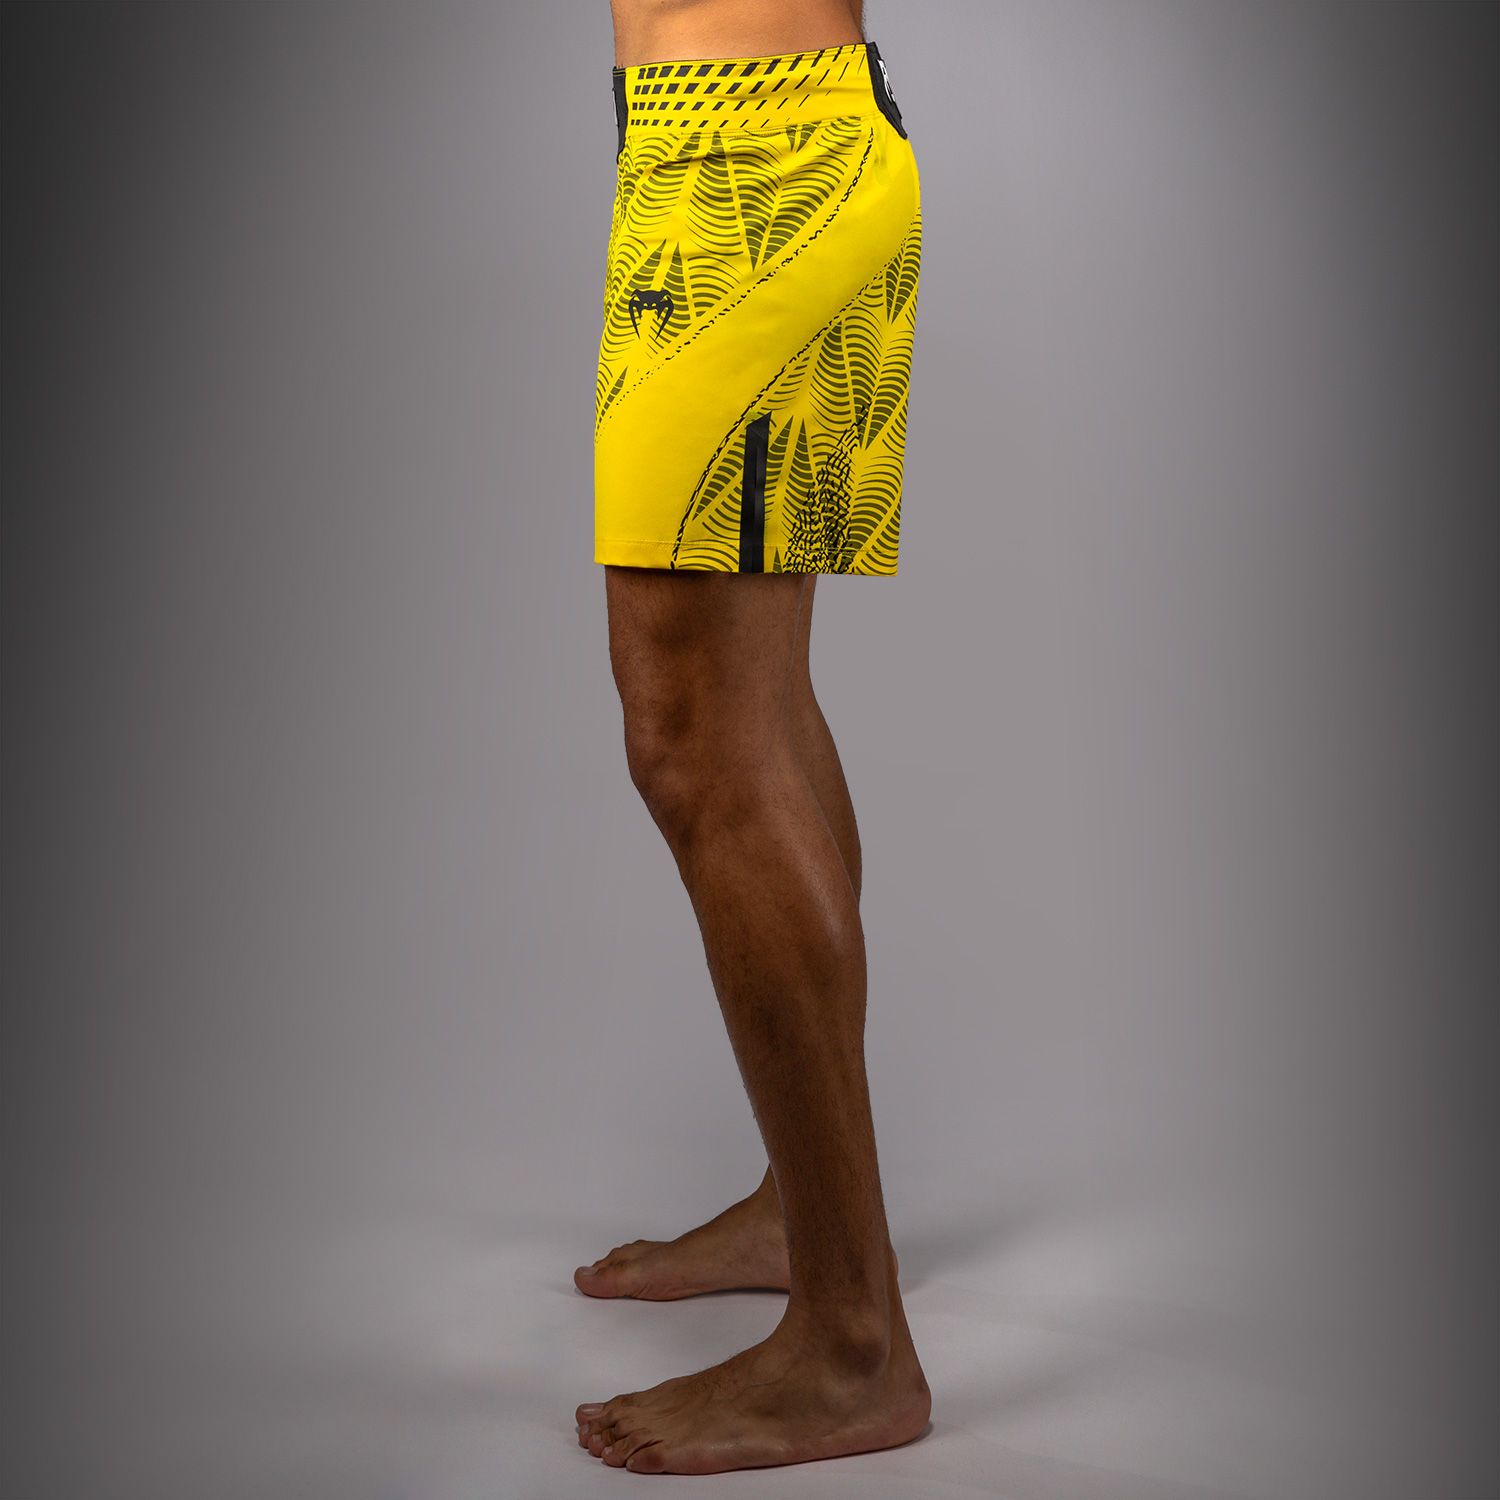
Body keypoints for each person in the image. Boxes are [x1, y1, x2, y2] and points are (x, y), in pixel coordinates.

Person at [575, 0, 928, 1473]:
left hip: (750, 159)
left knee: (701, 733)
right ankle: (805, 1212)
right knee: (755, 706)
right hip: (760, 140)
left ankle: (851, 1343)